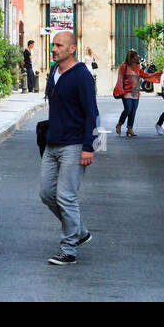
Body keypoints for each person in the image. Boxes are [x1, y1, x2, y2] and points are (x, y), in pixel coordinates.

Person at [40, 30, 99, 265]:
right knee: (46, 194)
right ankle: (80, 231)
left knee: (66, 196)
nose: (53, 49)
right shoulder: (54, 71)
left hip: (74, 145)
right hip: (52, 143)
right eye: (53, 45)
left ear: (72, 48)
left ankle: (69, 249)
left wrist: (89, 147)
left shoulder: (82, 76)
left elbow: (92, 113)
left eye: (59, 45)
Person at [115, 50, 144, 137]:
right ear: (131, 57)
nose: (137, 57)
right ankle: (119, 124)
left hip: (135, 90)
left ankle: (130, 129)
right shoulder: (124, 66)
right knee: (128, 109)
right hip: (126, 91)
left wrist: (156, 75)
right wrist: (120, 90)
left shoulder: (137, 66)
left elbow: (143, 75)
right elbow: (120, 79)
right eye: (135, 56)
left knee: (133, 110)